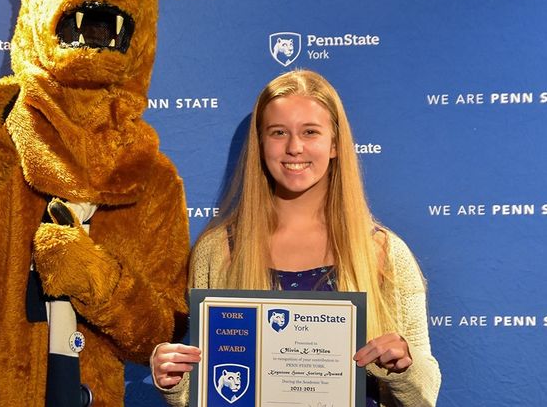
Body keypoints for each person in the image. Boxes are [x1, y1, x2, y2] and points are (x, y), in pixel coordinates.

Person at [150, 70, 441, 406]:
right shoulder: (218, 250)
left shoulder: (385, 252)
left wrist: (405, 365)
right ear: (260, 144)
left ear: (334, 144)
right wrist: (174, 380)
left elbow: (425, 394)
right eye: (278, 133)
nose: (294, 147)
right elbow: (205, 391)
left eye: (310, 132)